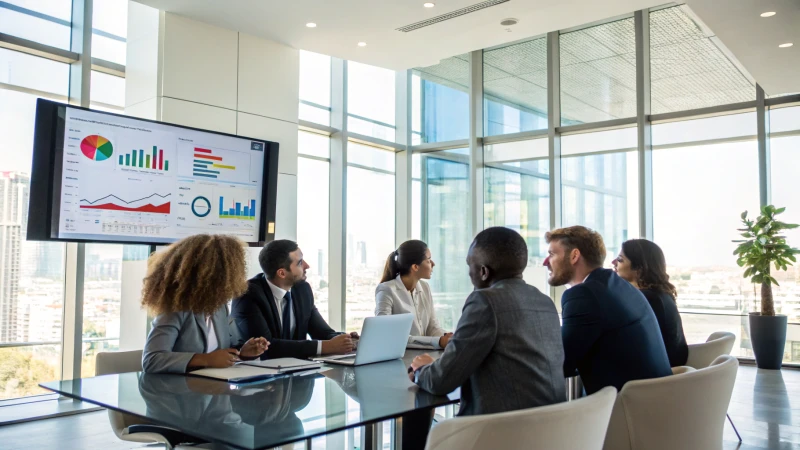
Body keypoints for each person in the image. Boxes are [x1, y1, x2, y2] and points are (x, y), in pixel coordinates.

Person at [410, 227, 566, 416]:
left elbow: (442, 380)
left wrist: (422, 369)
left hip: (499, 434)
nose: (469, 274)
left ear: (484, 272)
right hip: (550, 432)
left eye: (470, 266)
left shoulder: (485, 302)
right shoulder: (545, 302)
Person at [544, 226, 671, 395]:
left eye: (552, 254)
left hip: (626, 410)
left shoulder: (583, 295)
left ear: (574, 256)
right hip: (658, 400)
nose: (545, 262)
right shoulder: (619, 285)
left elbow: (562, 364)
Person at [141, 234, 269, 374]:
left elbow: (227, 351)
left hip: (213, 390)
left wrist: (243, 353)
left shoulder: (219, 307)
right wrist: (205, 359)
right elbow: (152, 359)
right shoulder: (176, 309)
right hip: (179, 391)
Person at [231, 239, 358, 359]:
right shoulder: (247, 295)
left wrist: (346, 340)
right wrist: (326, 347)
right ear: (282, 273)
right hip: (262, 376)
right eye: (300, 262)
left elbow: (322, 332)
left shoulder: (302, 289)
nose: (307, 266)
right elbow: (267, 347)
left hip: (298, 373)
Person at [613, 239, 689, 367]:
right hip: (673, 367)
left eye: (620, 259)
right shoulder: (661, 294)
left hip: (656, 376)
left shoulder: (645, 299)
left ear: (639, 268)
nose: (613, 262)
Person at [375, 240, 452, 349]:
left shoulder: (425, 287)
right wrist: (438, 341)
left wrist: (449, 337)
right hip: (398, 357)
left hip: (423, 355)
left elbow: (433, 327)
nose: (433, 264)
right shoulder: (386, 290)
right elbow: (386, 334)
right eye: (429, 260)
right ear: (415, 267)